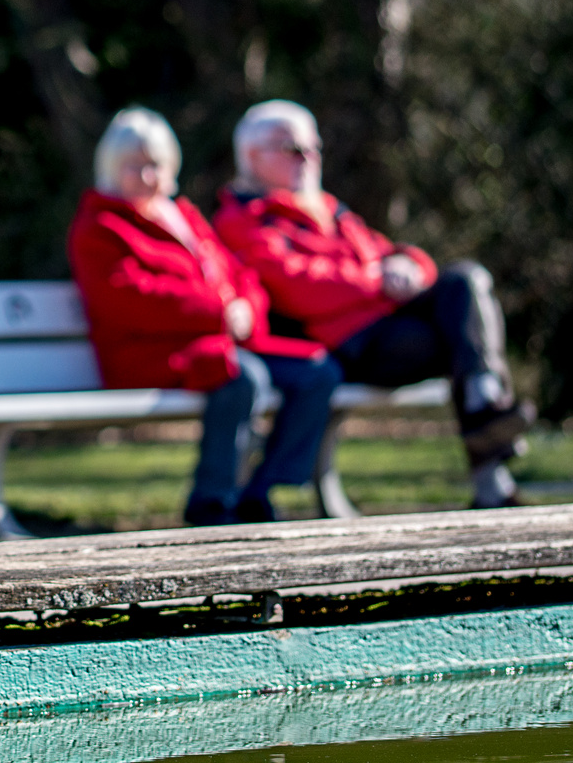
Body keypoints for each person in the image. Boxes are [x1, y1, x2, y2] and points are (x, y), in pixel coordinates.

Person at [213, 100, 534, 509]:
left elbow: (390, 252)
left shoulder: (330, 209)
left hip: (391, 324)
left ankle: (484, 400)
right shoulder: (243, 218)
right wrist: (381, 280)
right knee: (458, 339)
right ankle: (490, 461)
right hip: (346, 346)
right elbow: (300, 287)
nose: (308, 159)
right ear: (252, 156)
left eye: (314, 148)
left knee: (466, 279)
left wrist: (411, 266)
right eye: (293, 149)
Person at [68, 107, 342, 526]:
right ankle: (211, 501)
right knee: (241, 375)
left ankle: (264, 488)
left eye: (154, 165)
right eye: (133, 166)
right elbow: (127, 298)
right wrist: (219, 312)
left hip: (214, 343)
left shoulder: (183, 215)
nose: (146, 177)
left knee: (317, 371)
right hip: (150, 354)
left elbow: (236, 271)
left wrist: (247, 307)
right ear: (111, 167)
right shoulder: (99, 225)